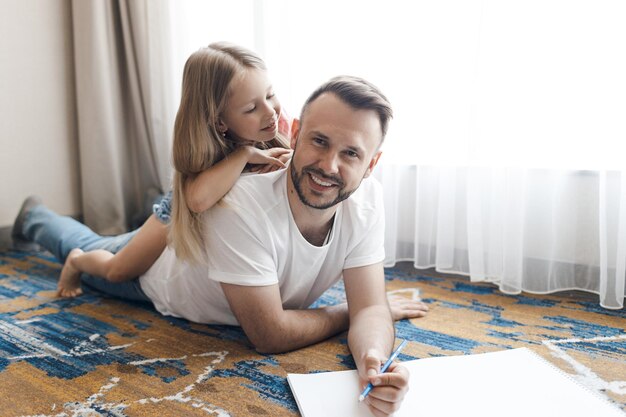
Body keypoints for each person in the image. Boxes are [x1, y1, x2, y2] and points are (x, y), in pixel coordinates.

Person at [13, 76, 429, 417]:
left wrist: (373, 361)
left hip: (208, 252)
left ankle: (43, 221)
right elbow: (269, 333)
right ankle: (36, 217)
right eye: (319, 141)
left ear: (371, 164)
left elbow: (371, 308)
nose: (329, 166)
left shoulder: (368, 200)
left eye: (351, 153)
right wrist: (349, 312)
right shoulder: (242, 204)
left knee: (95, 243)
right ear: (296, 133)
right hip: (158, 276)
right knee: (89, 248)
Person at [52, 42, 293, 298]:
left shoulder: (276, 124)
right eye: (251, 108)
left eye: (270, 95)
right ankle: (76, 260)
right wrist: (245, 154)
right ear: (220, 121)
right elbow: (197, 200)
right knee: (117, 270)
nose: (271, 112)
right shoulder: (214, 151)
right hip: (176, 213)